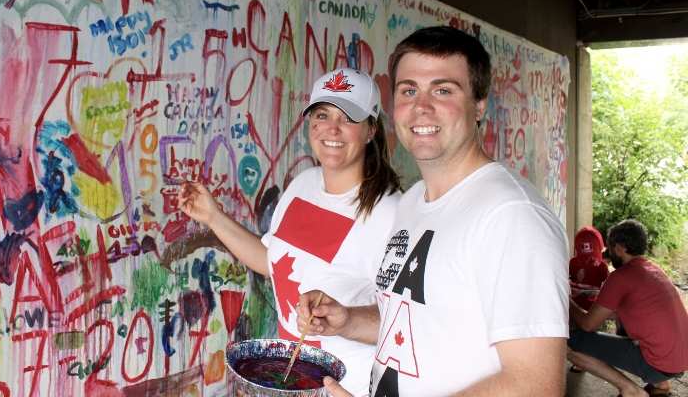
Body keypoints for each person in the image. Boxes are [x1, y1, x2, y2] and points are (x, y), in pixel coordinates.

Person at [297, 25, 570, 396]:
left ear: (479, 105)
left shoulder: (511, 216)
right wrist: (347, 321)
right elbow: (416, 324)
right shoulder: (413, 202)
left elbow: (535, 385)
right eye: (409, 90)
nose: (421, 106)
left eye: (442, 90)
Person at [178, 68, 402, 395]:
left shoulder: (389, 213)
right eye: (322, 115)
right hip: (293, 382)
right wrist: (213, 217)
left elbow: (406, 327)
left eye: (349, 118)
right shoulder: (303, 185)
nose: (332, 129)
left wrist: (345, 317)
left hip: (349, 388)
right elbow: (273, 263)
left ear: (370, 130)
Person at [568, 219, 688, 397]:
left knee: (570, 344)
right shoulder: (654, 270)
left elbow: (587, 324)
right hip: (681, 358)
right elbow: (630, 312)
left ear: (620, 247)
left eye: (610, 247)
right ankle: (661, 385)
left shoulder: (621, 277)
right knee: (627, 329)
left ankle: (630, 390)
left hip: (659, 362)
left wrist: (566, 299)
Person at [569, 226, 609, 313]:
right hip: (584, 308)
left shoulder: (573, 262)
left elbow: (605, 290)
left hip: (581, 308)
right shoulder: (602, 266)